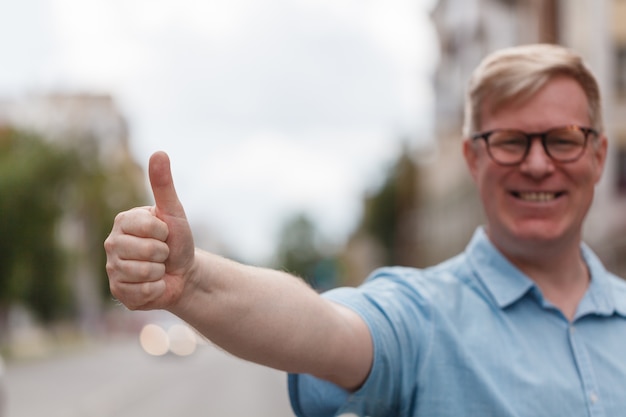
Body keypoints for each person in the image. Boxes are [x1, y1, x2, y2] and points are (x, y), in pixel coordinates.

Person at [104, 43, 626, 416]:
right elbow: (329, 332)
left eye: (563, 139)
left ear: (599, 156)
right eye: (511, 140)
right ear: (472, 157)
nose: (537, 165)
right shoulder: (422, 316)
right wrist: (193, 281)